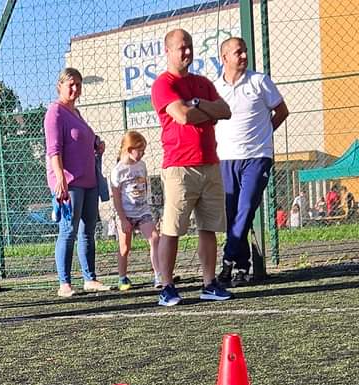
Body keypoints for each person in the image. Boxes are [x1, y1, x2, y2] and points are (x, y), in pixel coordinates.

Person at [150, 28, 233, 306]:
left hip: (210, 163)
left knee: (208, 228)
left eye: (189, 47)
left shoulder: (202, 83)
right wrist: (204, 111)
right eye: (181, 47)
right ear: (168, 51)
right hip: (179, 167)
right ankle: (167, 286)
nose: (186, 52)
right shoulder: (163, 84)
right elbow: (182, 116)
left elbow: (225, 111)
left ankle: (209, 283)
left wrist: (198, 103)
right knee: (172, 229)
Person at [214, 36, 289, 286]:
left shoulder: (260, 82)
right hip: (226, 159)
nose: (244, 56)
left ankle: (227, 262)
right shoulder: (215, 89)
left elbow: (282, 111)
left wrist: (264, 136)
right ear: (224, 58)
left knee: (245, 210)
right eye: (238, 52)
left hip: (257, 158)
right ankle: (243, 267)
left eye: (245, 51)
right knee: (232, 214)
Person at [44, 67, 110, 298]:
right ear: (59, 86)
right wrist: (60, 178)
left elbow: (83, 141)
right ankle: (64, 283)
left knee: (87, 231)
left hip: (89, 180)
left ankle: (90, 279)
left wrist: (96, 144)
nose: (75, 88)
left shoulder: (77, 113)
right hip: (70, 182)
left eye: (78, 84)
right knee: (68, 230)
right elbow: (54, 149)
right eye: (70, 84)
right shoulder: (55, 112)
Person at [109, 130, 161, 291]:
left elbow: (145, 187)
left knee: (154, 238)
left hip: (143, 211)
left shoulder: (142, 165)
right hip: (126, 214)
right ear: (129, 149)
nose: (142, 154)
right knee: (125, 247)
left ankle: (159, 275)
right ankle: (122, 277)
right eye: (140, 150)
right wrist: (123, 219)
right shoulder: (118, 171)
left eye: (144, 151)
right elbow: (116, 198)